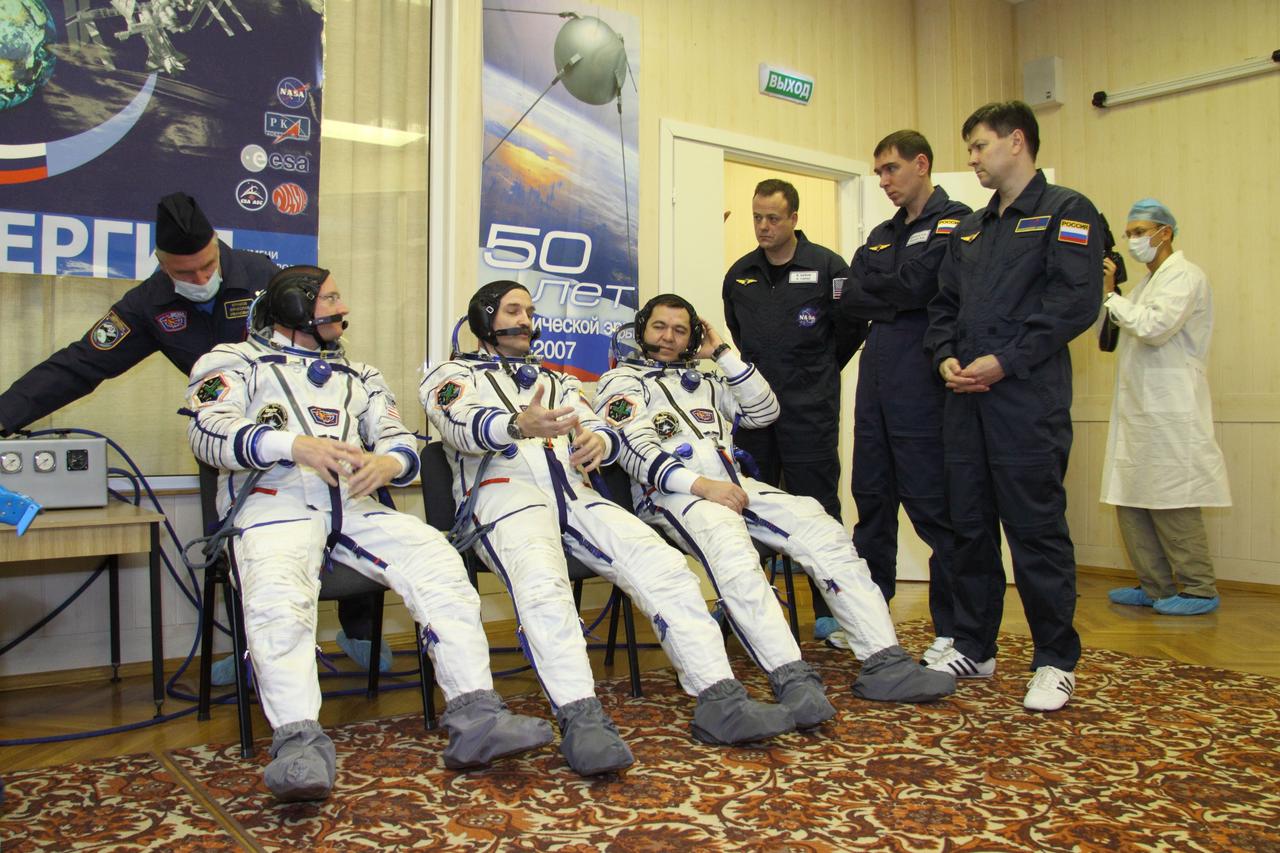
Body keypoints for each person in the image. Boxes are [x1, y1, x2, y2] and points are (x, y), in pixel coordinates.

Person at [186, 266, 553, 801]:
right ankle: (298, 744)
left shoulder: (360, 376)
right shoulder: (230, 362)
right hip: (273, 504)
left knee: (439, 560)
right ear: (295, 306)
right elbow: (207, 432)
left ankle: (476, 716)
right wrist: (294, 446)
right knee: (280, 599)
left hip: (352, 505)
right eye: (332, 298)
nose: (343, 308)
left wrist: (390, 463)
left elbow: (400, 439)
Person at [0, 193, 387, 678]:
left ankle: (361, 630)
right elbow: (80, 363)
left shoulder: (261, 275)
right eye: (185, 274)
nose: (201, 280)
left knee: (355, 515)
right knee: (238, 545)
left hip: (312, 429)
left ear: (217, 248)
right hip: (227, 443)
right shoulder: (147, 304)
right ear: (161, 264)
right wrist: (4, 415)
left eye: (206, 267)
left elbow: (328, 339)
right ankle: (255, 651)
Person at [420, 281, 797, 777]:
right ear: (483, 316)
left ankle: (719, 699)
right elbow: (459, 424)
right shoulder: (447, 374)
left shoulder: (555, 379)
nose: (526, 319)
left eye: (530, 311)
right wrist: (518, 425)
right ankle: (583, 719)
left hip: (577, 496)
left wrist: (598, 441)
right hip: (503, 497)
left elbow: (602, 425)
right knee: (545, 587)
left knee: (664, 566)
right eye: (514, 309)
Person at [595, 294, 956, 712]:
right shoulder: (621, 382)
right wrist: (702, 486)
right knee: (734, 551)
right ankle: (790, 675)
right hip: (672, 494)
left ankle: (884, 661)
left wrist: (724, 354)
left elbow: (765, 411)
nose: (669, 337)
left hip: (733, 486)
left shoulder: (708, 381)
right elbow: (631, 448)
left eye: (680, 329)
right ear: (641, 330)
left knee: (819, 525)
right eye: (659, 327)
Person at [922, 101, 1102, 712]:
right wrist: (945, 355)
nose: (970, 159)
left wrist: (1006, 360)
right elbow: (943, 306)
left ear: (1017, 141)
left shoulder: (1067, 212)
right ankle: (975, 644)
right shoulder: (970, 228)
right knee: (967, 529)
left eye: (978, 146)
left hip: (1026, 403)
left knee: (1036, 533)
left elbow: (1074, 304)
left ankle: (1055, 659)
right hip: (963, 404)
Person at [839, 130, 971, 661]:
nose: (885, 181)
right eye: (879, 173)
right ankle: (871, 622)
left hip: (922, 383)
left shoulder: (957, 221)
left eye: (892, 169)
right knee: (871, 506)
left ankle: (955, 629)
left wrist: (887, 291)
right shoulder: (879, 234)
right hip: (876, 382)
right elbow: (851, 297)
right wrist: (897, 291)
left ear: (921, 164)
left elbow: (927, 287)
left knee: (933, 509)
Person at [722, 178, 863, 643]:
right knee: (748, 508)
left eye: (773, 218)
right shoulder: (739, 273)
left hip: (810, 413)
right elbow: (741, 337)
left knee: (819, 511)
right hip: (755, 415)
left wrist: (817, 371)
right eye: (757, 217)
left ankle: (835, 610)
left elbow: (849, 331)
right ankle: (746, 604)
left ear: (794, 219)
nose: (763, 226)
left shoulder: (828, 268)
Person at [1101, 199, 1229, 616]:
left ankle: (1197, 588)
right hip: (1139, 407)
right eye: (1130, 233)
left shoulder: (1185, 277)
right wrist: (1115, 295)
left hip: (1172, 406)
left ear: (1165, 233)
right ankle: (1154, 585)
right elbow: (1123, 329)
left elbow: (1154, 329)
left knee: (1173, 499)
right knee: (1132, 495)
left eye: (1140, 231)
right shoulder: (1144, 285)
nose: (1134, 240)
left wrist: (1110, 298)